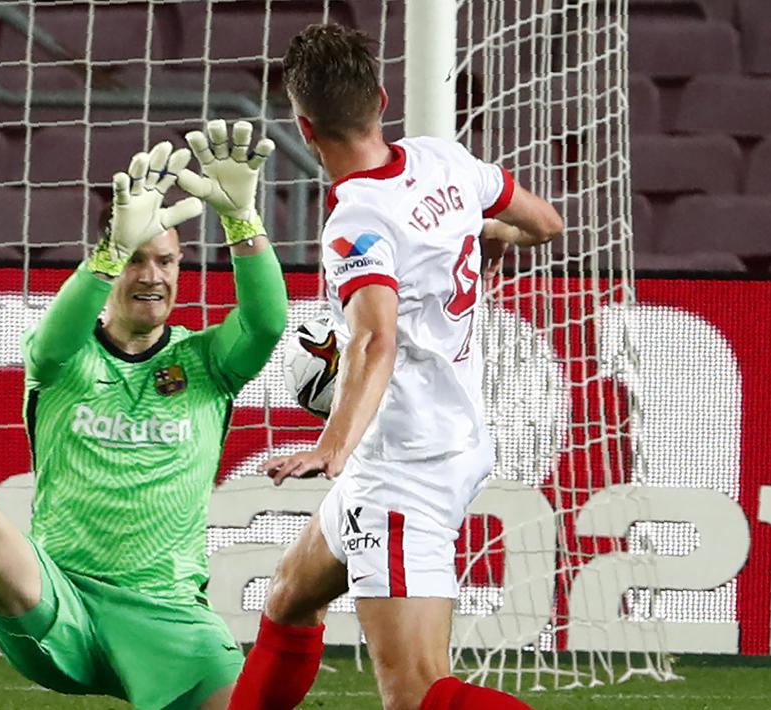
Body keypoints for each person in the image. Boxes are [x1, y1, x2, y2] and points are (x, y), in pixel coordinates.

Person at [227, 25, 564, 710]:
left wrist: (332, 444)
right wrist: (475, 230)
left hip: (403, 469)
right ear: (381, 97)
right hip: (456, 434)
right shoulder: (443, 162)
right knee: (290, 597)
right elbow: (545, 224)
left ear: (303, 125)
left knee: (414, 695)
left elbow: (373, 340)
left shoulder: (357, 220)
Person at [0, 121, 288, 710]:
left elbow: (268, 323)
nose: (151, 276)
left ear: (181, 266)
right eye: (135, 261)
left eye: (165, 261)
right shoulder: (64, 359)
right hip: (60, 605)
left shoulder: (209, 363)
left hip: (168, 621)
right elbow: (55, 337)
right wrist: (108, 252)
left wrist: (243, 222)